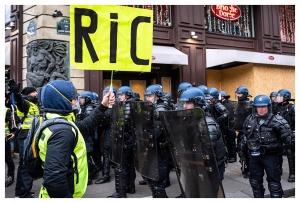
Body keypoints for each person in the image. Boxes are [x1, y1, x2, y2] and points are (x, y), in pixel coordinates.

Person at [36, 80, 114, 198]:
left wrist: (103, 105)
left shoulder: (58, 121)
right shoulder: (62, 131)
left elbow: (86, 125)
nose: (76, 101)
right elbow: (54, 179)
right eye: (73, 99)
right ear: (62, 100)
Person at [238, 94, 294, 198]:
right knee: (255, 183)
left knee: (274, 185)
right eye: (259, 107)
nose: (261, 110)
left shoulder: (277, 120)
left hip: (271, 156)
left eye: (263, 107)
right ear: (255, 108)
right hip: (254, 156)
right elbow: (244, 138)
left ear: (268, 106)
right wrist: (242, 155)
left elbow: (289, 139)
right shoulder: (250, 119)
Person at [181, 87, 227, 180]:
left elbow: (208, 151)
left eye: (188, 103)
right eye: (184, 103)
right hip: (197, 163)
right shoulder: (191, 120)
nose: (184, 106)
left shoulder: (208, 124)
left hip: (211, 166)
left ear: (198, 103)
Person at [8, 79, 40, 198]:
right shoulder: (25, 103)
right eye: (33, 92)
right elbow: (20, 102)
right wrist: (16, 94)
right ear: (28, 94)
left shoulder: (33, 104)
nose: (36, 93)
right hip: (25, 137)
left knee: (25, 164)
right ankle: (23, 193)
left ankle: (22, 192)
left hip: (29, 136)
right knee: (25, 164)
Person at [139, 84, 171, 198]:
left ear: (157, 97)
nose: (147, 98)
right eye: (146, 96)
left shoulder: (160, 109)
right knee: (150, 177)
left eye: (150, 96)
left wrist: (144, 137)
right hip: (154, 148)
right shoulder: (153, 107)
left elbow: (156, 132)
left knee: (158, 181)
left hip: (160, 149)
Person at [108, 86, 136, 198]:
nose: (118, 96)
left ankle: (120, 193)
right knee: (130, 165)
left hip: (124, 140)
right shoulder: (134, 105)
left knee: (120, 167)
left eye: (121, 94)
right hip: (131, 141)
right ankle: (130, 187)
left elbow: (121, 124)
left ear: (127, 95)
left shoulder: (126, 107)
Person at [95, 86, 117, 185]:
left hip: (114, 132)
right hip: (109, 131)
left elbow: (108, 115)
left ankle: (106, 175)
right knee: (107, 153)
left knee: (108, 153)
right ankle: (106, 174)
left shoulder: (116, 105)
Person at [78, 90, 100, 185]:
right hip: (87, 135)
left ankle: (90, 176)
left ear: (87, 99)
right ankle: (94, 171)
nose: (81, 100)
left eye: (83, 98)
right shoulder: (84, 107)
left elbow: (88, 124)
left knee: (87, 156)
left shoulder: (89, 108)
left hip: (88, 136)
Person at [276, 89, 295, 182]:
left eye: (280, 96)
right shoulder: (275, 107)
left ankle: (293, 173)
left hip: (289, 133)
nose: (278, 98)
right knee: (277, 152)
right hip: (278, 133)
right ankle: (279, 170)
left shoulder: (292, 108)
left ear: (286, 98)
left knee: (290, 154)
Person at [235, 85, 253, 178]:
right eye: (237, 93)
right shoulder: (238, 104)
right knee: (241, 151)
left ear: (245, 94)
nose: (238, 95)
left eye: (240, 93)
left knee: (248, 151)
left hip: (249, 132)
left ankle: (250, 169)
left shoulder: (250, 104)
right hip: (241, 131)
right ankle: (244, 167)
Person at [219, 90, 237, 163]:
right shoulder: (218, 104)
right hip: (223, 125)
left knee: (231, 141)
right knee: (224, 141)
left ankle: (233, 156)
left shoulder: (230, 103)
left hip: (230, 125)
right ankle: (227, 155)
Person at [5, 105, 20, 187]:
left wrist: (14, 132)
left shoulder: (6, 111)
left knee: (7, 158)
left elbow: (14, 123)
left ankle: (10, 176)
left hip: (4, 139)